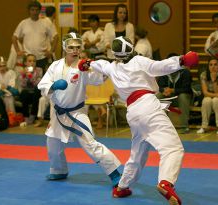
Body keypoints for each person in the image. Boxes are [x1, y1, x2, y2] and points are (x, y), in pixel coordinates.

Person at [80, 36, 199, 205]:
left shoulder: (112, 66)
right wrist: (182, 60)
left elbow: (99, 64)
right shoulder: (139, 61)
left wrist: (86, 63)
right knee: (173, 148)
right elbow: (160, 66)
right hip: (148, 107)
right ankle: (166, 181)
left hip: (133, 113)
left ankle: (122, 187)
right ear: (131, 48)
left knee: (138, 153)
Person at [37, 32, 122, 186]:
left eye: (77, 47)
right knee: (53, 143)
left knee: (89, 143)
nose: (75, 50)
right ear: (64, 48)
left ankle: (114, 173)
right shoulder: (55, 65)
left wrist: (104, 69)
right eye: (71, 47)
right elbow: (42, 85)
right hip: (58, 112)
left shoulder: (83, 66)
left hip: (77, 112)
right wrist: (53, 86)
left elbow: (97, 79)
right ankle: (59, 170)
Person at [12, 0, 58, 72]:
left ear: (40, 11)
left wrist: (51, 51)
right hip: (28, 59)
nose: (34, 12)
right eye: (32, 10)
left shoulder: (45, 23)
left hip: (42, 58)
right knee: (29, 79)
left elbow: (56, 36)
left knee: (42, 80)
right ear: (29, 11)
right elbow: (14, 37)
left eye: (36, 10)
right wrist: (18, 51)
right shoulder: (24, 23)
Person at [157, 53, 192, 134]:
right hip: (169, 97)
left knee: (183, 96)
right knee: (158, 96)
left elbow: (187, 89)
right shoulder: (163, 72)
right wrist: (164, 90)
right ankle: (161, 126)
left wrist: (172, 90)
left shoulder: (185, 72)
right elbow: (159, 87)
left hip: (183, 98)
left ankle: (185, 126)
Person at [18, 54, 43, 126]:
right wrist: (24, 75)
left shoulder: (39, 70)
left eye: (34, 61)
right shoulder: (22, 70)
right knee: (24, 92)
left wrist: (30, 76)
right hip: (26, 92)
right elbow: (22, 85)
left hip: (35, 92)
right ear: (25, 63)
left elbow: (38, 84)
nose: (32, 63)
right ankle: (26, 117)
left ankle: (32, 115)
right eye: (29, 61)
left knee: (37, 91)